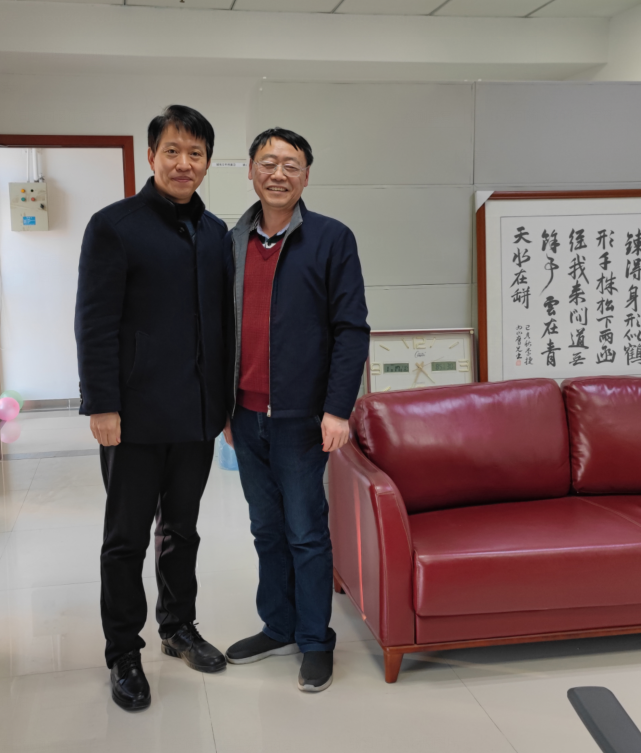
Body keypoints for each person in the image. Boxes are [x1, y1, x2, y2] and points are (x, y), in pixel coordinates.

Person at [74, 105, 231, 712]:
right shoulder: (114, 226)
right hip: (133, 415)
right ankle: (123, 651)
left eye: (195, 153)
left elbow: (221, 326)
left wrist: (222, 405)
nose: (183, 163)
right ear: (151, 156)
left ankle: (178, 627)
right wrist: (102, 404)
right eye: (172, 151)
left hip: (196, 414)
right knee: (125, 539)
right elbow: (94, 322)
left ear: (207, 162)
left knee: (182, 530)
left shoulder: (216, 233)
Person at [222, 127, 370, 692]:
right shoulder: (232, 241)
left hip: (303, 418)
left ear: (306, 176)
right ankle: (278, 626)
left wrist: (337, 410)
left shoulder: (331, 238)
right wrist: (222, 408)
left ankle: (314, 639)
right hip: (245, 416)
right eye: (268, 162)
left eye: (291, 164)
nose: (278, 173)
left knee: (306, 531)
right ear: (251, 171)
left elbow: (351, 329)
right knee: (266, 529)